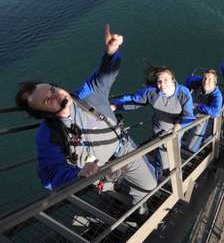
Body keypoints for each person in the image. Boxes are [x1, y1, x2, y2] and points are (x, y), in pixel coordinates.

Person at [15, 25, 157, 212]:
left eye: (52, 88)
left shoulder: (86, 96)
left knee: (150, 185)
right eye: (48, 99)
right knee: (109, 201)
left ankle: (138, 201)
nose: (56, 94)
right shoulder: (49, 134)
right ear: (44, 115)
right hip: (97, 175)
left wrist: (110, 53)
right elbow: (49, 173)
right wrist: (77, 175)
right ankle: (133, 207)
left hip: (124, 151)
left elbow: (104, 75)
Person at [111, 67, 195, 176]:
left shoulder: (183, 93)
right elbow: (133, 100)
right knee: (162, 152)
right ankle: (164, 170)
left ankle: (172, 167)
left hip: (176, 129)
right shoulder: (152, 93)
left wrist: (178, 126)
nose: (162, 84)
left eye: (166, 80)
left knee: (174, 147)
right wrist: (116, 105)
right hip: (159, 128)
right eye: (159, 81)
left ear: (173, 80)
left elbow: (188, 116)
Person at [183, 69, 223, 152]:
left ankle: (192, 152)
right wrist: (186, 93)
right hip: (191, 110)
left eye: (210, 79)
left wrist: (199, 106)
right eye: (205, 78)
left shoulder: (217, 95)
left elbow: (216, 112)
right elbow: (189, 79)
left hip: (203, 116)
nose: (206, 81)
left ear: (215, 82)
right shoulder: (198, 81)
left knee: (192, 144)